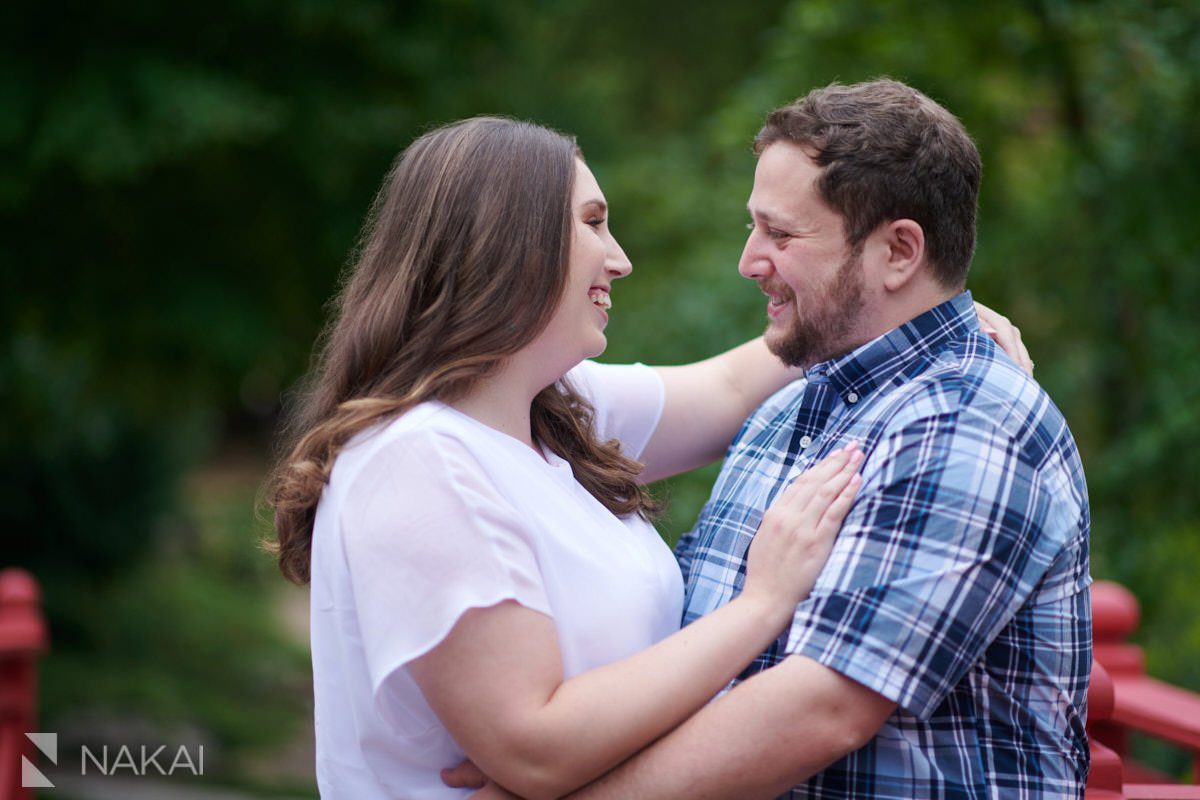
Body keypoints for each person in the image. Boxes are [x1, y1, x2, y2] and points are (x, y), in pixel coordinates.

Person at [474, 78, 1088, 800]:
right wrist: (546, 745)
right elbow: (699, 650)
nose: (750, 261)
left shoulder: (969, 421)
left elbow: (821, 711)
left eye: (783, 234)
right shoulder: (783, 412)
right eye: (752, 227)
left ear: (899, 252)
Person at [267, 115, 874, 799]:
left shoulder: (551, 412)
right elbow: (538, 750)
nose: (619, 259)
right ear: (506, 239)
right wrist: (762, 605)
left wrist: (915, 315)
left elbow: (734, 386)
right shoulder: (419, 460)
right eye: (592, 223)